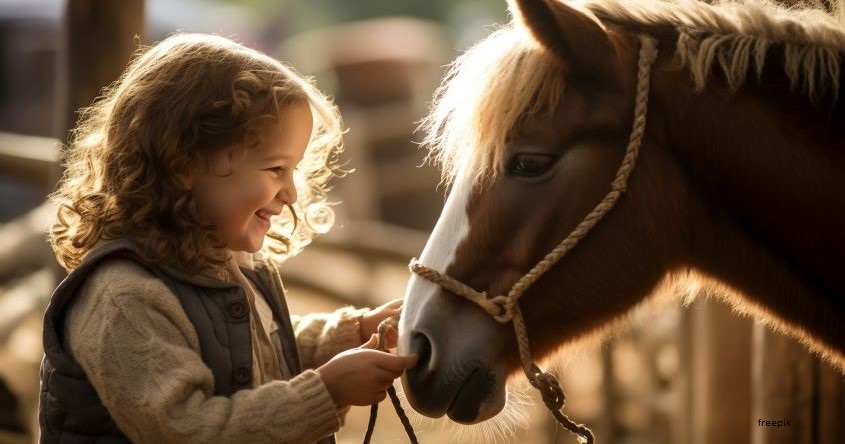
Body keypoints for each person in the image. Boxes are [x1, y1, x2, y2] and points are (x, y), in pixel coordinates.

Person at [39, 33, 418, 444]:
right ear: (184, 162)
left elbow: (249, 355)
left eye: (293, 171)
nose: (291, 193)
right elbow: (187, 429)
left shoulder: (226, 265)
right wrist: (325, 392)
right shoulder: (124, 298)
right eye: (276, 169)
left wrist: (353, 333)